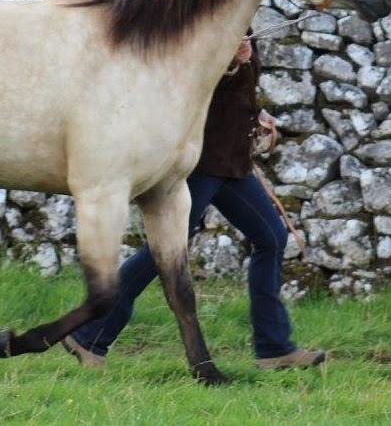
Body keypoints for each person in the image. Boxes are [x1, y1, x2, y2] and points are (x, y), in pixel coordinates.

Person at [62, 38, 325, 370]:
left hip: (231, 160)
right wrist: (228, 63)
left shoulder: (242, 21)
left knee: (271, 237)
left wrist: (253, 111)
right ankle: (88, 334)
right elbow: (185, 78)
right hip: (199, 161)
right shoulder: (208, 16)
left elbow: (229, 91)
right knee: (162, 253)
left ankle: (274, 349)